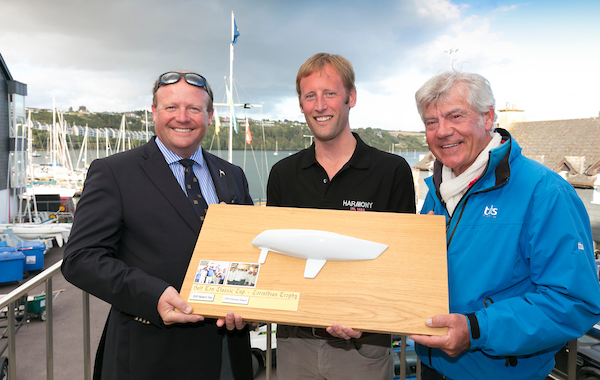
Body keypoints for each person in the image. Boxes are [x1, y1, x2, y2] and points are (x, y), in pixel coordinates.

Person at [62, 71, 254, 380]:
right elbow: (80, 260)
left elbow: (248, 254)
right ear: (154, 112)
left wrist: (255, 306)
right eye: (171, 108)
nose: (183, 117)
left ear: (209, 115)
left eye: (193, 108)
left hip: (226, 353)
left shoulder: (232, 175)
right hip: (149, 356)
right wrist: (153, 294)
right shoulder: (114, 172)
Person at [410, 71, 600, 380]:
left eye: (455, 116)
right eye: (431, 122)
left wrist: (476, 329)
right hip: (433, 368)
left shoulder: (546, 192)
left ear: (487, 118)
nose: (442, 131)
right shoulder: (437, 190)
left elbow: (575, 302)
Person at [266, 52, 416, 379]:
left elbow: (402, 262)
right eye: (310, 96)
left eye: (330, 93)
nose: (320, 105)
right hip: (294, 346)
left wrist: (366, 318)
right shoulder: (282, 173)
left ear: (351, 97)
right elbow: (276, 262)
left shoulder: (391, 171)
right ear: (301, 104)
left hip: (365, 348)